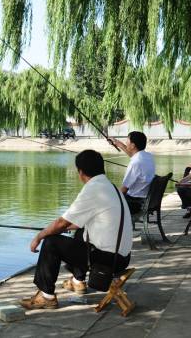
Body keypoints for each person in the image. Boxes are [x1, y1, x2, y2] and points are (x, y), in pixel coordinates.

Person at [19, 150, 132, 309]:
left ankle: (47, 296)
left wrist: (40, 235)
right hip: (122, 257)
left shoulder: (93, 189)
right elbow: (75, 223)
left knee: (51, 242)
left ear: (80, 172)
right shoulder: (109, 187)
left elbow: (61, 223)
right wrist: (61, 227)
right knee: (79, 232)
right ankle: (78, 282)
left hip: (108, 261)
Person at [108, 131, 155, 215]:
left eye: (127, 141)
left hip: (135, 202)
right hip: (146, 199)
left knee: (106, 200)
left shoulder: (135, 163)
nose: (126, 142)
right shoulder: (148, 156)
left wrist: (111, 196)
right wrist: (117, 143)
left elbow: (124, 189)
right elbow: (133, 154)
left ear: (133, 145)